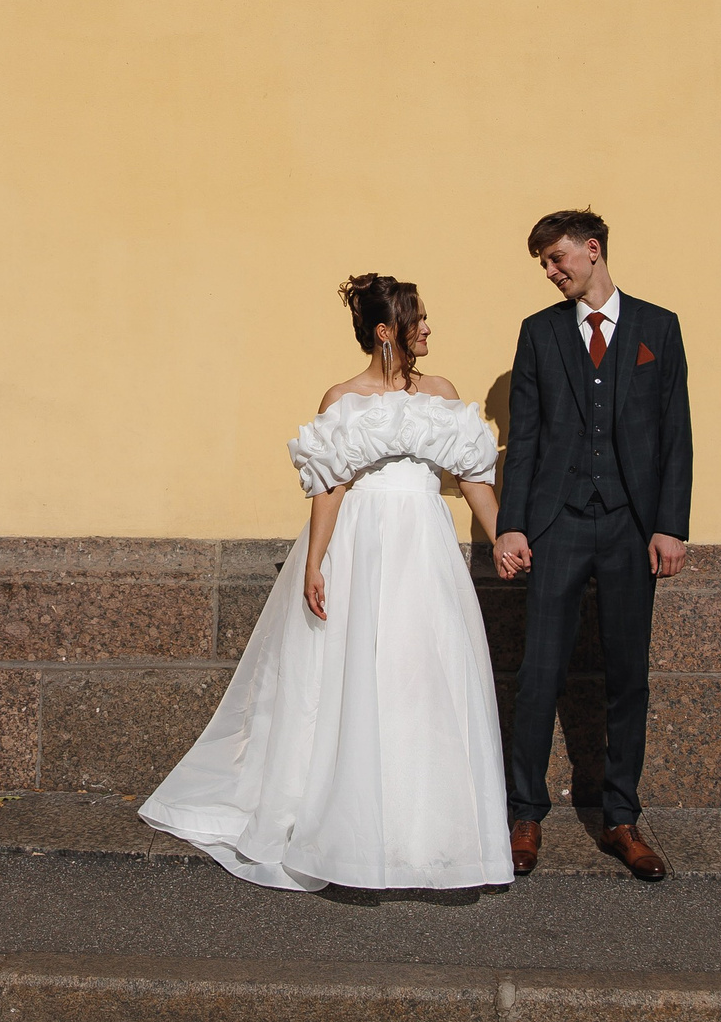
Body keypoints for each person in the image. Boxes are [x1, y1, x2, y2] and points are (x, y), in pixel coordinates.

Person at [139, 274, 513, 891]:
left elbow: (473, 477)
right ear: (385, 331)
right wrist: (315, 562)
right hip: (362, 547)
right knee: (356, 676)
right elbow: (329, 486)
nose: (428, 329)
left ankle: (432, 834)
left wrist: (500, 535)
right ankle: (352, 833)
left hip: (423, 550)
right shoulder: (341, 399)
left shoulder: (442, 393)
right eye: (417, 318)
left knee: (423, 675)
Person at [492, 209, 693, 883]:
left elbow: (675, 433)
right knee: (539, 671)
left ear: (592, 249)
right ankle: (525, 811)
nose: (551, 273)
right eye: (545, 265)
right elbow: (523, 438)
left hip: (633, 526)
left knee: (627, 673)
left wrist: (671, 523)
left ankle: (620, 817)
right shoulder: (539, 333)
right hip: (558, 523)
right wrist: (512, 523)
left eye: (557, 259)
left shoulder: (657, 328)